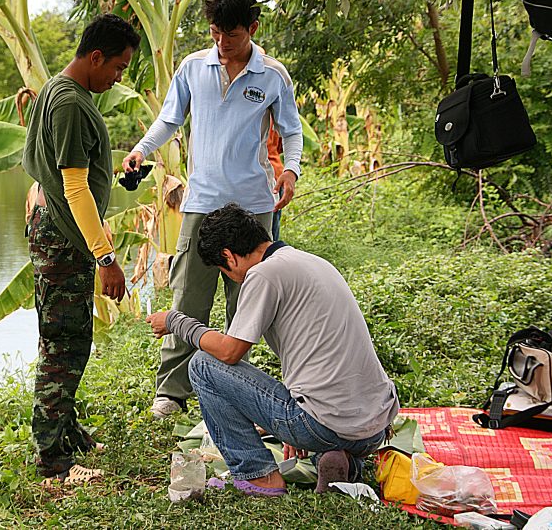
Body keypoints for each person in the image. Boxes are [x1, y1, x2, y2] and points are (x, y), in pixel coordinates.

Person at [122, 0, 304, 418]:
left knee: (249, 302)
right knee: (188, 295)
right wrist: (141, 150)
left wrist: (292, 171)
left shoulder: (272, 74)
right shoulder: (192, 67)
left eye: (233, 35)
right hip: (201, 203)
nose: (223, 43)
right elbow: (169, 119)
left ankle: (236, 390)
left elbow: (292, 130)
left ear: (253, 29)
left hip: (253, 207)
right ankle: (172, 390)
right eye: (215, 33)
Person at [147, 203, 399, 495]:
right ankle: (345, 463)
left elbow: (229, 352)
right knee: (318, 426)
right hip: (374, 429)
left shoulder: (263, 274)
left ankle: (258, 475)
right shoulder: (310, 261)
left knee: (202, 365)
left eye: (221, 269)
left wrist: (177, 321)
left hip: (326, 425)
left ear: (228, 256)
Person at [22, 13, 141, 482]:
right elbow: (73, 188)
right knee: (64, 344)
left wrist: (114, 177)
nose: (117, 78)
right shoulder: (71, 103)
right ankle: (53, 462)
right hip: (64, 238)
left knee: (68, 337)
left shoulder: (57, 88)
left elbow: (75, 172)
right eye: (117, 68)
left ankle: (66, 431)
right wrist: (106, 258)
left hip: (56, 230)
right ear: (95, 57)